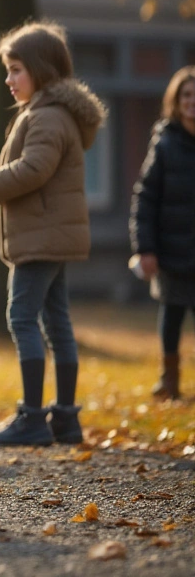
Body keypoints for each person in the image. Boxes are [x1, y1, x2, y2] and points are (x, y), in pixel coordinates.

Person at [0, 21, 107, 447]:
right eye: (7, 70)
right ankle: (65, 417)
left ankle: (32, 417)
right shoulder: (50, 114)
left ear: (41, 70)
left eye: (16, 70)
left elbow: (34, 169)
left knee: (21, 317)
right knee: (56, 321)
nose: (8, 79)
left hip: (42, 237)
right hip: (52, 235)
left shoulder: (46, 117)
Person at [130, 65, 195, 401]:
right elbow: (145, 197)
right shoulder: (165, 144)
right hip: (170, 251)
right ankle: (169, 380)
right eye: (186, 95)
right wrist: (146, 248)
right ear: (176, 100)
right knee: (171, 317)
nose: (192, 101)